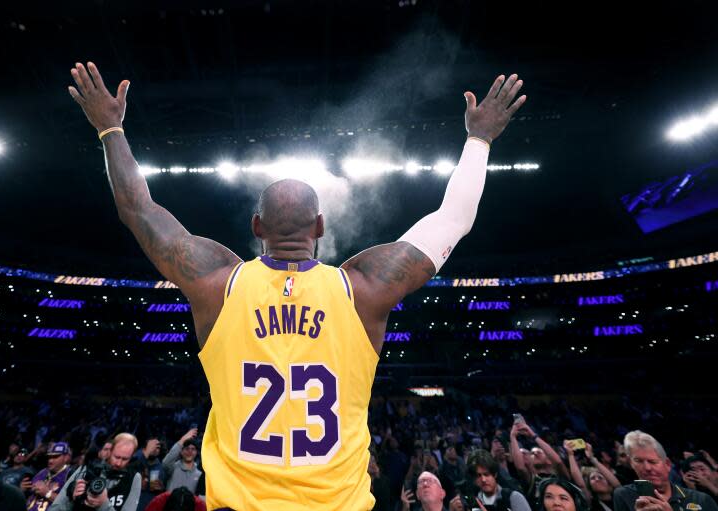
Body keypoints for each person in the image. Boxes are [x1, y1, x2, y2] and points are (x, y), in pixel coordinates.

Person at [68, 60, 526, 511]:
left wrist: (111, 130)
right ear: (321, 226)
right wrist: (479, 138)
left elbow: (140, 211)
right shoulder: (363, 288)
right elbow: (454, 218)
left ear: (256, 226)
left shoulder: (217, 282)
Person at [612, 431, 718, 511]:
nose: (647, 468)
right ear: (631, 464)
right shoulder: (623, 495)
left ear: (667, 464)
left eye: (653, 461)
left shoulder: (701, 499)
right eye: (638, 461)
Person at [50, 433, 141, 511]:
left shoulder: (133, 478)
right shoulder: (88, 468)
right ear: (110, 450)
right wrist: (72, 497)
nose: (118, 463)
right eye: (116, 457)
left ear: (132, 456)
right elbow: (57, 506)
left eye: (125, 459)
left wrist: (104, 504)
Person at [449, 450, 532, 511]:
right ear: (474, 479)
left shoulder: (513, 498)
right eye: (478, 476)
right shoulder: (473, 505)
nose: (483, 480)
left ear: (495, 474)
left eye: (486, 474)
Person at [27, 442, 72, 511]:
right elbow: (30, 491)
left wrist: (47, 493)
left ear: (66, 458)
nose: (50, 461)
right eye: (49, 457)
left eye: (55, 457)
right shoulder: (42, 472)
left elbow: (68, 505)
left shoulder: (70, 475)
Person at [162, 429, 202, 494]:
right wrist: (182, 440)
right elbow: (165, 463)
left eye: (193, 449)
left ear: (196, 452)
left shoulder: (199, 474)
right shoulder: (173, 468)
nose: (190, 451)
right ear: (181, 452)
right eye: (187, 448)